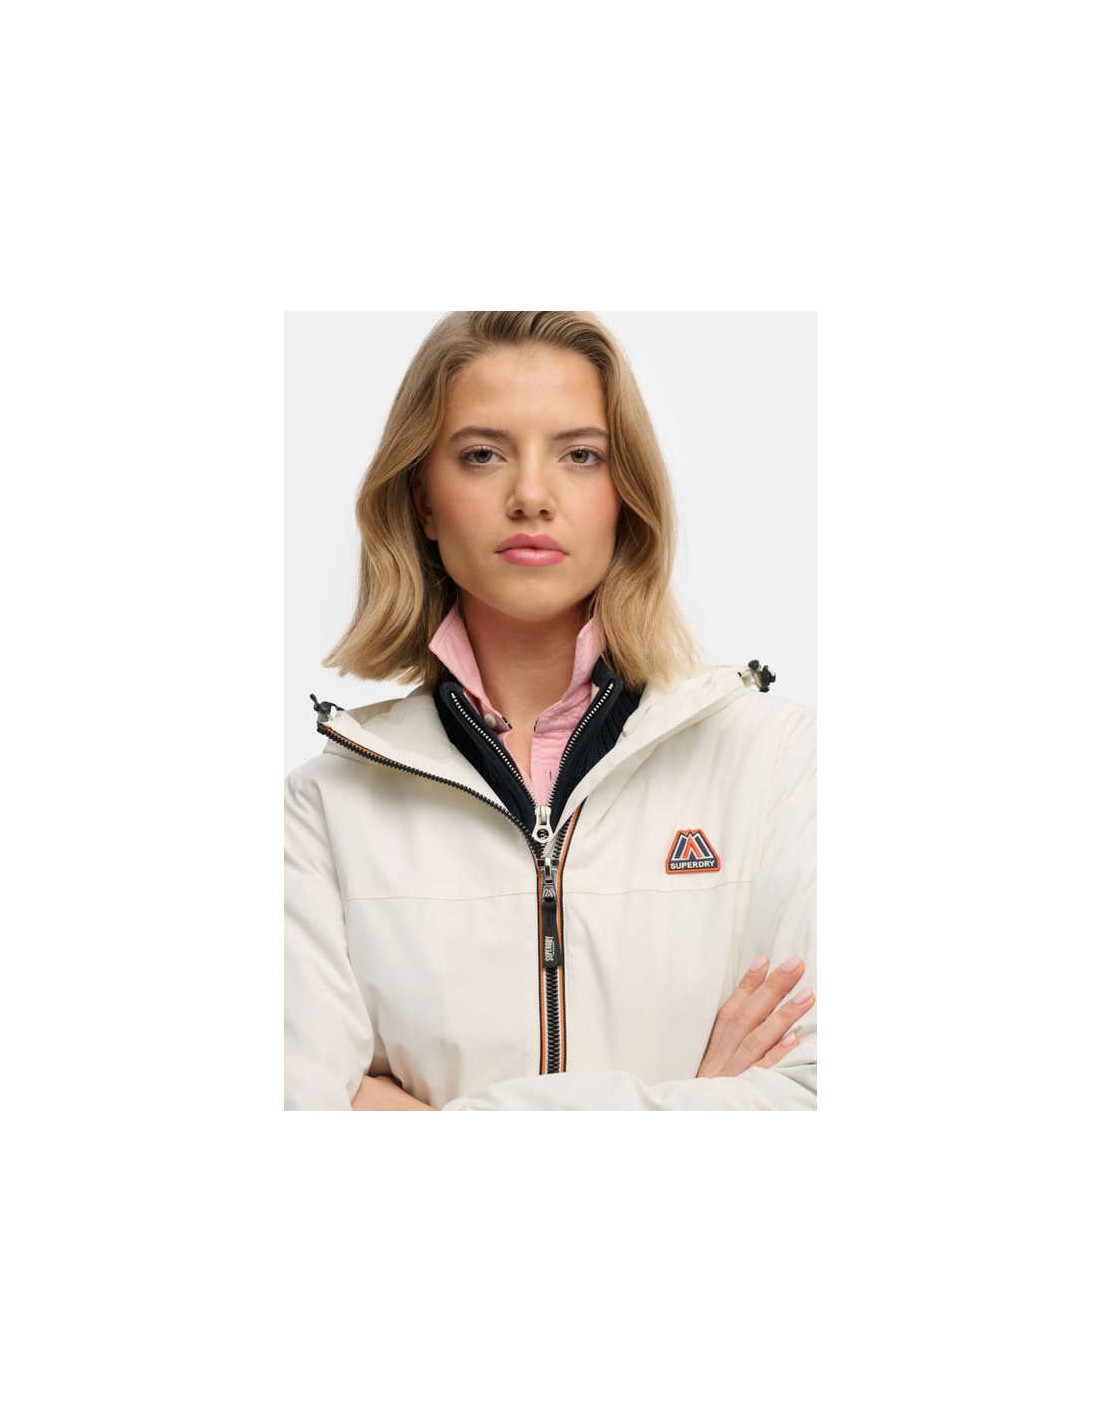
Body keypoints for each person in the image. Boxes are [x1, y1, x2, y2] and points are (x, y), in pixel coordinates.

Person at [285, 310, 815, 1111]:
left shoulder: (775, 763)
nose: (531, 495)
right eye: (482, 454)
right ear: (423, 501)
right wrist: (697, 1109)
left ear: (624, 495)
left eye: (580, 455)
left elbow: (818, 1098)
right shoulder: (324, 812)